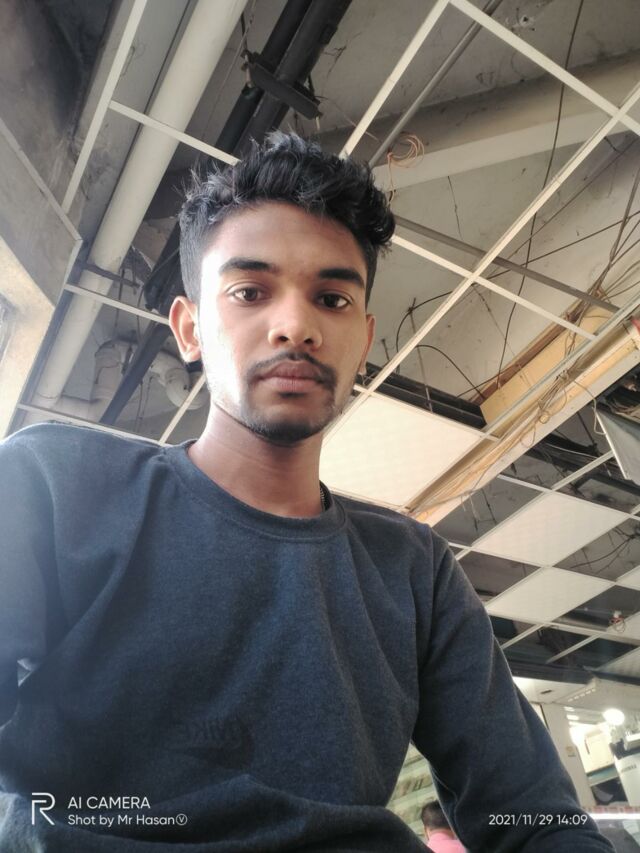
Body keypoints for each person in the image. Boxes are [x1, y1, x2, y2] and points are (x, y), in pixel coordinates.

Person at [0, 133, 613, 852]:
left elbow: (531, 815)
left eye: (332, 298)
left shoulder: (414, 570)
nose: (296, 326)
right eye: (249, 292)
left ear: (363, 340)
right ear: (189, 329)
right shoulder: (54, 484)